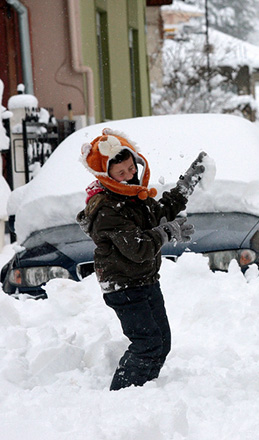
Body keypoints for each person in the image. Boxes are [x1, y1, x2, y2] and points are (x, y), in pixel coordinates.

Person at [76, 128, 206, 390]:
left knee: (162, 342)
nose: (128, 176)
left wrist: (187, 184)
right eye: (120, 173)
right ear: (106, 175)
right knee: (147, 344)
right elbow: (139, 248)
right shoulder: (107, 210)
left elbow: (162, 211)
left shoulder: (133, 196)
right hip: (123, 287)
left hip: (145, 280)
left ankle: (145, 392)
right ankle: (121, 396)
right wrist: (169, 231)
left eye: (131, 168)